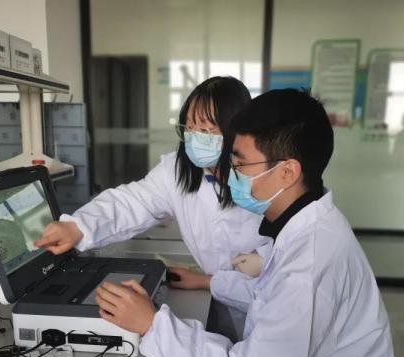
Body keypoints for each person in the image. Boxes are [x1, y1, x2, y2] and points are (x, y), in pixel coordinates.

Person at [94, 89, 397, 357]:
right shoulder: (308, 224)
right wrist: (209, 282)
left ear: (287, 172)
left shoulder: (310, 260)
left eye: (239, 165)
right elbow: (270, 293)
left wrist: (152, 325)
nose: (229, 175)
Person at [35, 76, 270, 342]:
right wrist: (79, 226)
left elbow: (290, 246)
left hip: (267, 310)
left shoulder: (262, 174)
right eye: (189, 127)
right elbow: (133, 201)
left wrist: (261, 260)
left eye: (206, 130)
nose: (195, 138)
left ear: (234, 130)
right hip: (219, 302)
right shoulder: (178, 170)